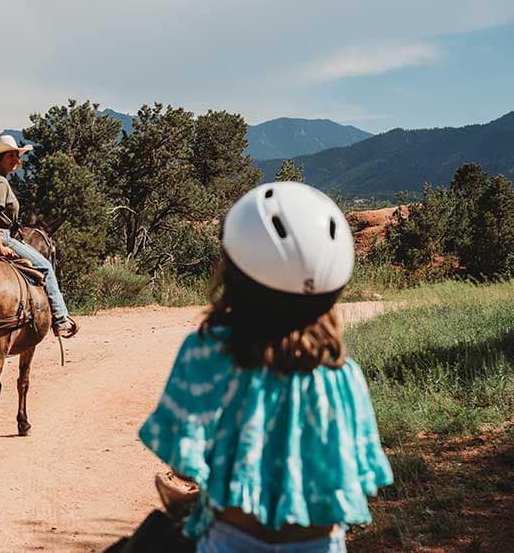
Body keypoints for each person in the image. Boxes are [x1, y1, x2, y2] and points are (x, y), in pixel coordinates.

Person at [138, 182, 393, 552]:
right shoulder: (342, 373)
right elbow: (357, 473)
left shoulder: (207, 352)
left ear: (234, 274)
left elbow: (184, 467)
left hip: (233, 539)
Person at [0, 134, 76, 335]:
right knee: (46, 267)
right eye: (11, 156)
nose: (16, 160)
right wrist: (0, 247)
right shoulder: (0, 182)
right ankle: (60, 318)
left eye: (17, 156)